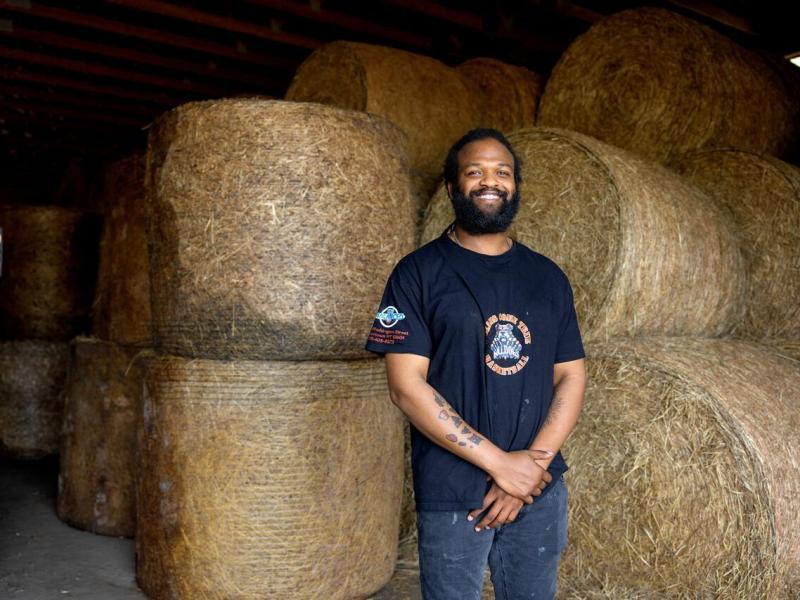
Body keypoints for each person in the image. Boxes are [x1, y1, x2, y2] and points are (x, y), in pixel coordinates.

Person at [365, 128, 587, 600]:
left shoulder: (548, 277)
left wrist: (529, 470)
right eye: (475, 172)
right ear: (451, 188)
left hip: (538, 489)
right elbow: (406, 387)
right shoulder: (416, 273)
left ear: (516, 186)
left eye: (502, 172)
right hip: (454, 491)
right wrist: (499, 466)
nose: (491, 181)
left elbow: (570, 374)